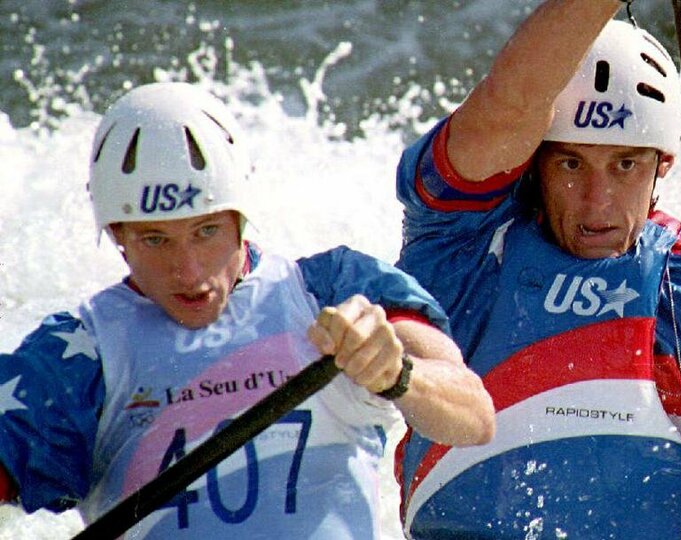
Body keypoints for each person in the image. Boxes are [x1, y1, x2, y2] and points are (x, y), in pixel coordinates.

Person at [393, 1, 681, 538]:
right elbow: (506, 107)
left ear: (662, 164)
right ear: (533, 162)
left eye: (625, 164)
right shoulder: (461, 250)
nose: (598, 203)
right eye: (571, 163)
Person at [0, 82, 495, 539]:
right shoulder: (75, 358)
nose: (189, 271)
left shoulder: (334, 289)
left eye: (207, 231)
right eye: (156, 240)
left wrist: (397, 374)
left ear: (241, 218)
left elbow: (474, 418)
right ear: (118, 237)